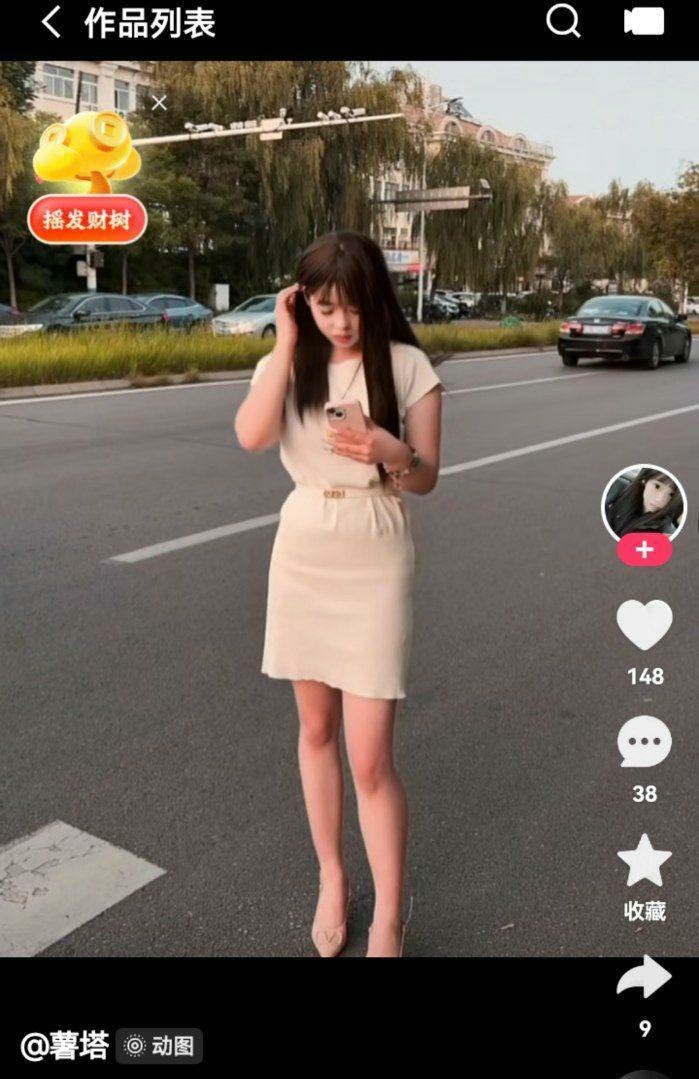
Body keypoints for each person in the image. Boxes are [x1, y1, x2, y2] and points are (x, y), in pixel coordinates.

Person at [234, 230, 444, 958]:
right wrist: (288, 341)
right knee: (316, 730)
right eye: (325, 308)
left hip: (375, 549)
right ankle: (332, 876)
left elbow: (426, 477)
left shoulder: (407, 365)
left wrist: (390, 450)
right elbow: (250, 435)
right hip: (303, 548)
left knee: (370, 756)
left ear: (374, 299)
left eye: (352, 306)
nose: (342, 322)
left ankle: (388, 914)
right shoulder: (289, 362)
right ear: (304, 304)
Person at [604, 468, 682, 537]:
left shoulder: (661, 530)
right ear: (645, 480)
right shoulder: (617, 494)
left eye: (671, 494)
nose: (659, 499)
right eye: (657, 486)